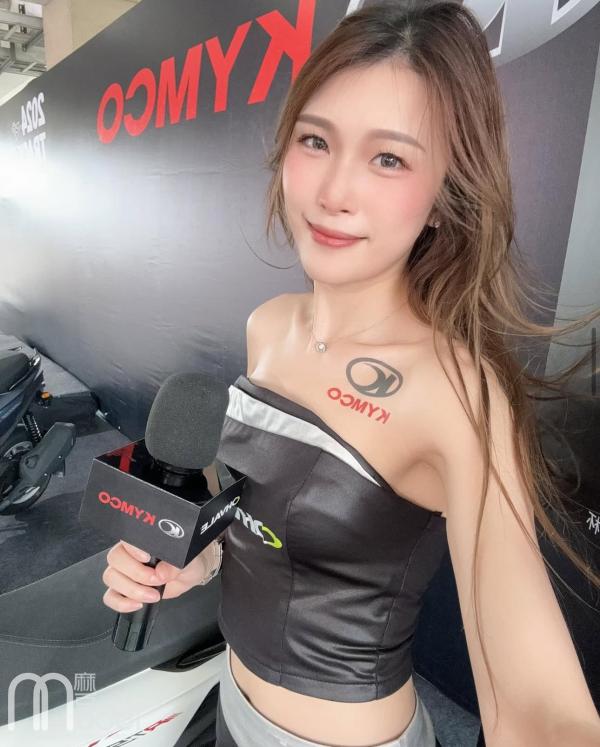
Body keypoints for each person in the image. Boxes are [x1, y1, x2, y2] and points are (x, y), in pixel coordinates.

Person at [102, 2, 600, 746]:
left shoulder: (456, 393)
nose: (334, 191)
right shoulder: (269, 323)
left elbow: (537, 708)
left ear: (447, 193)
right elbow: (265, 524)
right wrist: (196, 560)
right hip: (228, 706)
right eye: (316, 140)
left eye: (389, 158)